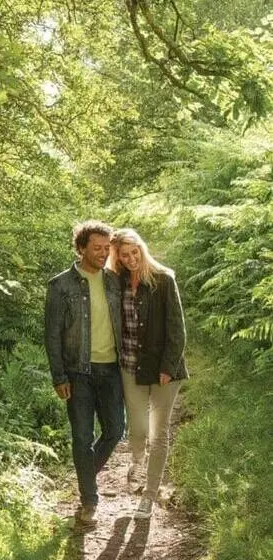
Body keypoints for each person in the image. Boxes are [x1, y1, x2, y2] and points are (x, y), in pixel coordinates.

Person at [45, 220, 124, 526]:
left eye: (107, 248)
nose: (103, 253)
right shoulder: (60, 285)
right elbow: (52, 335)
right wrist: (59, 376)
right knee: (82, 438)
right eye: (97, 248)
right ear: (80, 248)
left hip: (111, 370)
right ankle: (89, 500)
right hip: (76, 373)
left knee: (116, 430)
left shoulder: (114, 281)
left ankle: (84, 476)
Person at [107, 228, 188, 519]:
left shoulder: (164, 280)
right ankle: (137, 460)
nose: (130, 259)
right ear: (117, 258)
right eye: (123, 255)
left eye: (134, 252)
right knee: (138, 429)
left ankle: (149, 496)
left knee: (159, 432)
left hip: (165, 369)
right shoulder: (116, 282)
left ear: (142, 248)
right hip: (130, 365)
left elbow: (177, 330)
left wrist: (167, 366)